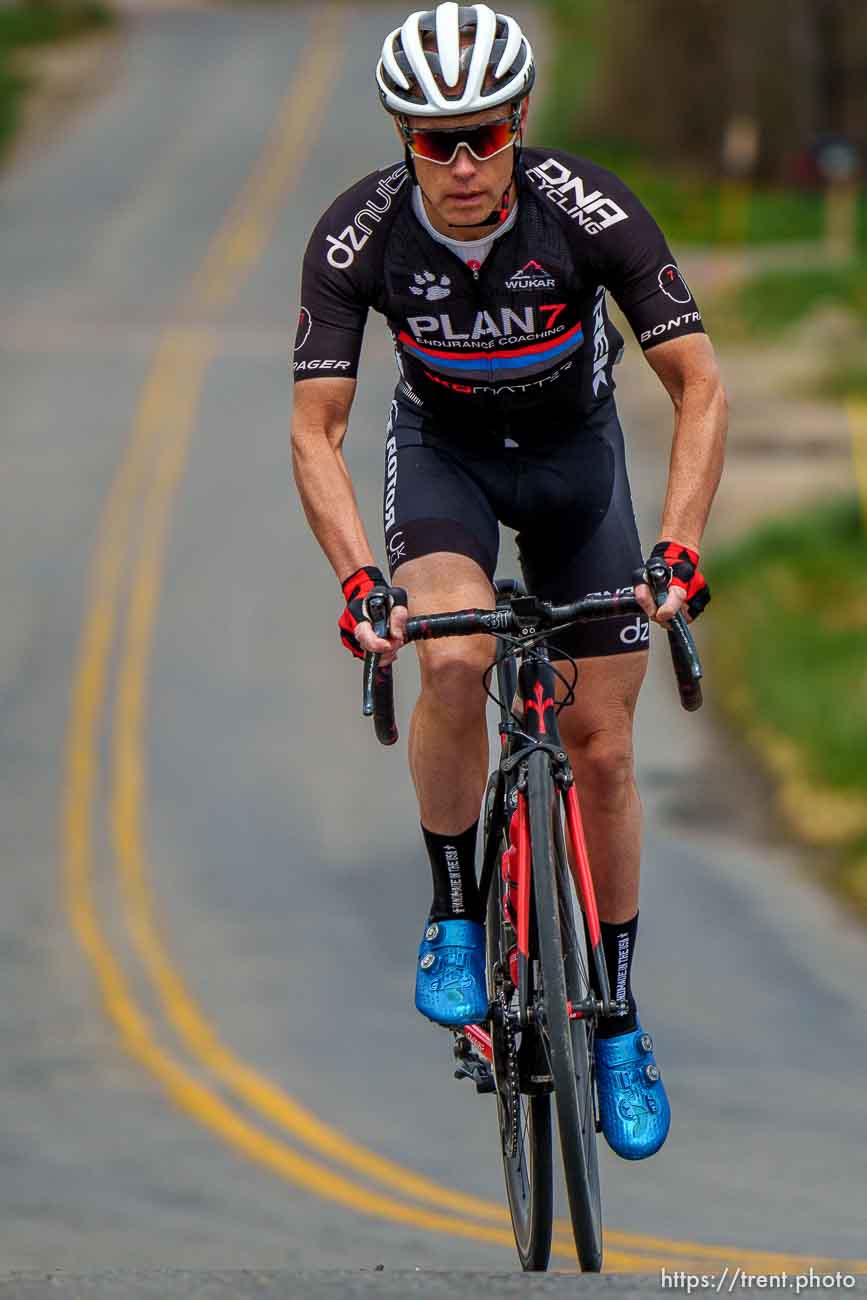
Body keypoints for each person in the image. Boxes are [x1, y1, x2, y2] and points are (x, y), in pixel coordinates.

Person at [291, 2, 727, 1161]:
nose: (466, 162)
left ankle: (621, 1020)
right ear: (402, 136)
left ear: (519, 120)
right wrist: (356, 583)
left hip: (578, 464)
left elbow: (700, 386)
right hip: (448, 461)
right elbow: (314, 427)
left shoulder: (591, 212)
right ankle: (452, 914)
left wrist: (679, 545)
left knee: (605, 747)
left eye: (485, 133)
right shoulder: (358, 235)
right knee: (454, 652)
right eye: (438, 141)